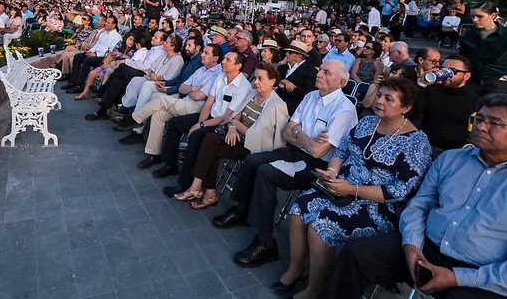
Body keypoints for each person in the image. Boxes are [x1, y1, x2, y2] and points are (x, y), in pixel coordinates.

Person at [320, 94, 507, 299]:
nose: (481, 127)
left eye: (495, 123)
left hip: (481, 272)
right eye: (479, 119)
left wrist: (459, 277)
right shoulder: (451, 159)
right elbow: (420, 205)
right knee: (357, 254)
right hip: (425, 248)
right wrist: (412, 245)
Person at [275, 78, 432, 297]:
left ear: (406, 108)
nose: (380, 101)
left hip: (377, 206)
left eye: (389, 99)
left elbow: (399, 192)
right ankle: (295, 269)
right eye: (379, 95)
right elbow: (340, 153)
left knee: (321, 227)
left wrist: (351, 190)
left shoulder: (416, 143)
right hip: (340, 187)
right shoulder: (368, 122)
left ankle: (316, 288)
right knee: (299, 209)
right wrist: (331, 172)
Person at [213, 61, 358, 268]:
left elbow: (317, 151)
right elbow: (287, 133)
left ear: (341, 82)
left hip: (316, 166)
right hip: (294, 151)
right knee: (253, 159)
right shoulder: (310, 97)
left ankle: (266, 243)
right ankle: (242, 209)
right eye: (321, 69)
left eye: (327, 73)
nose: (320, 74)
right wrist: (303, 136)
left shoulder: (344, 109)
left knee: (266, 172)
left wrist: (298, 133)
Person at [171, 63, 289, 209]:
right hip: (237, 138)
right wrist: (232, 127)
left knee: (211, 144)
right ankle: (203, 190)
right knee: (210, 140)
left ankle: (203, 190)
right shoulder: (252, 95)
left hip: (255, 147)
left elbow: (253, 133)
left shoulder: (277, 105)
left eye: (260, 79)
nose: (256, 82)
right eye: (255, 78)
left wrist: (233, 123)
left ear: (272, 81)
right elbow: (233, 117)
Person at [152, 51, 252, 183]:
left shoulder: (243, 87)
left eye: (228, 60)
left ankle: (186, 182)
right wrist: (200, 123)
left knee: (196, 136)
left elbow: (227, 116)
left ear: (238, 66)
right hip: (209, 117)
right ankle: (170, 164)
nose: (223, 61)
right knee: (175, 123)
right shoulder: (221, 77)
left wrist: (200, 126)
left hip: (223, 124)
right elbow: (209, 103)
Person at [459, 1, 507, 97]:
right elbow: (463, 58)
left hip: (499, 82)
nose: (475, 20)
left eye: (480, 16)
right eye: (472, 16)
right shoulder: (470, 35)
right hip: (472, 81)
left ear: (493, 15)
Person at [418, 54, 481, 156]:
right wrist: (422, 83)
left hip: (453, 154)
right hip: (423, 148)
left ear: (467, 76)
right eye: (443, 69)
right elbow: (412, 111)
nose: (446, 73)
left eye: (453, 71)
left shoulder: (475, 100)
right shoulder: (430, 91)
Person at [276, 40, 317, 114]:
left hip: (292, 110)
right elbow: (273, 80)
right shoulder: (282, 67)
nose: (287, 54)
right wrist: (283, 81)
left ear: (300, 55)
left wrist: (289, 88)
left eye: (290, 52)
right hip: (274, 104)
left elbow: (307, 93)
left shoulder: (310, 71)